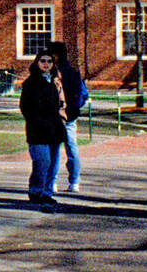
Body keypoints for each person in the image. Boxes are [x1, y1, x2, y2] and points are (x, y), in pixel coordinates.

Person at [20, 50, 68, 210]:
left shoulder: (56, 82)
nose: (46, 64)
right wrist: (37, 121)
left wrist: (62, 118)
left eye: (49, 61)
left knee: (53, 163)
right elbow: (25, 107)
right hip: (38, 130)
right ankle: (36, 191)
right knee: (42, 162)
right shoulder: (30, 83)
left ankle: (47, 193)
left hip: (54, 129)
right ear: (37, 62)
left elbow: (62, 103)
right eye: (42, 61)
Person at [50, 41, 86, 193]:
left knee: (54, 150)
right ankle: (74, 182)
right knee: (71, 148)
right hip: (69, 116)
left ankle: (52, 181)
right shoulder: (73, 73)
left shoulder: (52, 73)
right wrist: (73, 109)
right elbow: (83, 95)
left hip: (55, 116)